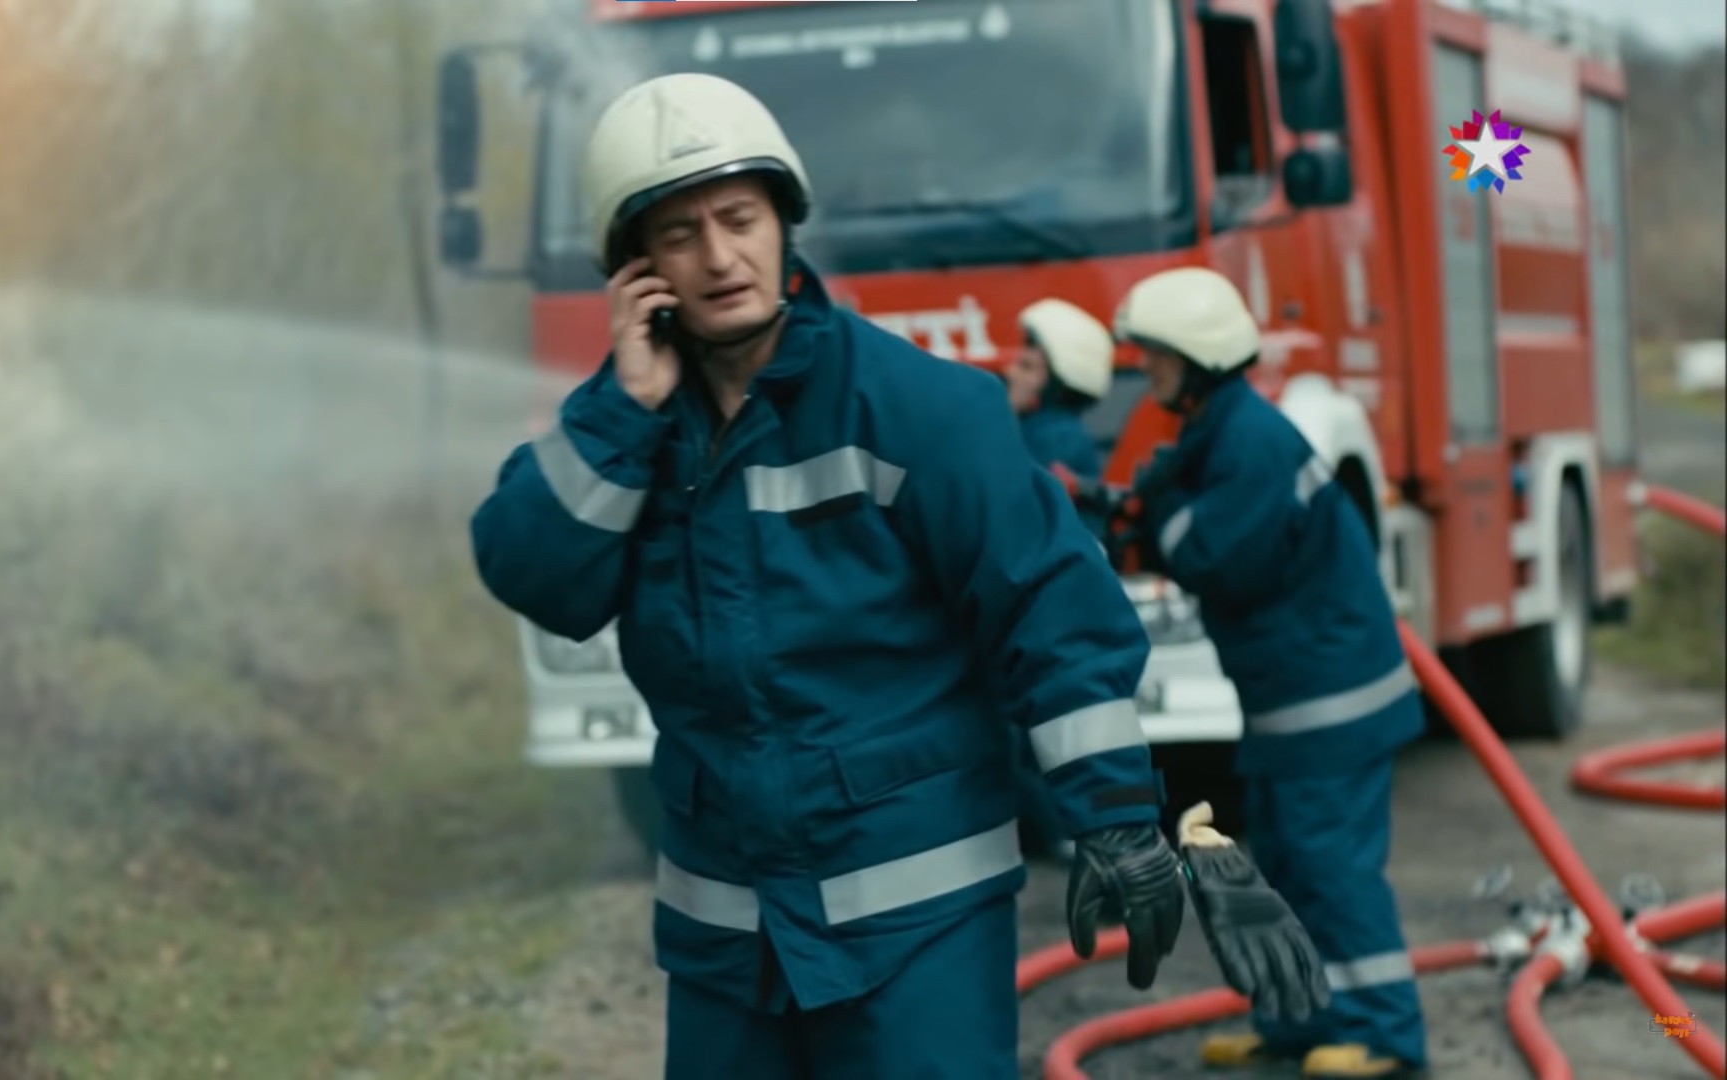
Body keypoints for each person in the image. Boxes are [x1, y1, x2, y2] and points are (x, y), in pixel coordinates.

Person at [471, 74, 1324, 1079]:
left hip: (917, 931)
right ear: (636, 268)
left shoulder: (920, 409)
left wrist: (1117, 818)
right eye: (680, 234)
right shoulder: (626, 427)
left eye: (739, 220)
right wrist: (623, 407)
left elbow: (1053, 610)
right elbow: (534, 575)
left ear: (784, 224)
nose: (720, 256)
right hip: (728, 943)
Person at [1108, 266, 1429, 1079]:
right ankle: (1296, 1021)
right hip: (1289, 702)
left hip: (1331, 701)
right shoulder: (1217, 433)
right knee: (1282, 865)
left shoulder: (1248, 441)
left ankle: (1387, 1033)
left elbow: (1213, 555)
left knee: (1332, 870)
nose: (1148, 368)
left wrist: (1156, 521)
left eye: (1158, 355)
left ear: (1200, 357)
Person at [1002, 299, 1118, 860]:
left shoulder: (1048, 439)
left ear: (1059, 380)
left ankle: (1068, 832)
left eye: (1029, 366)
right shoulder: (1047, 433)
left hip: (1043, 615)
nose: (1011, 371)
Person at [1005, 298, 1113, 498]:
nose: (1010, 372)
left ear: (1055, 385)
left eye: (1026, 367)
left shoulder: (1055, 440)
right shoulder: (1042, 431)